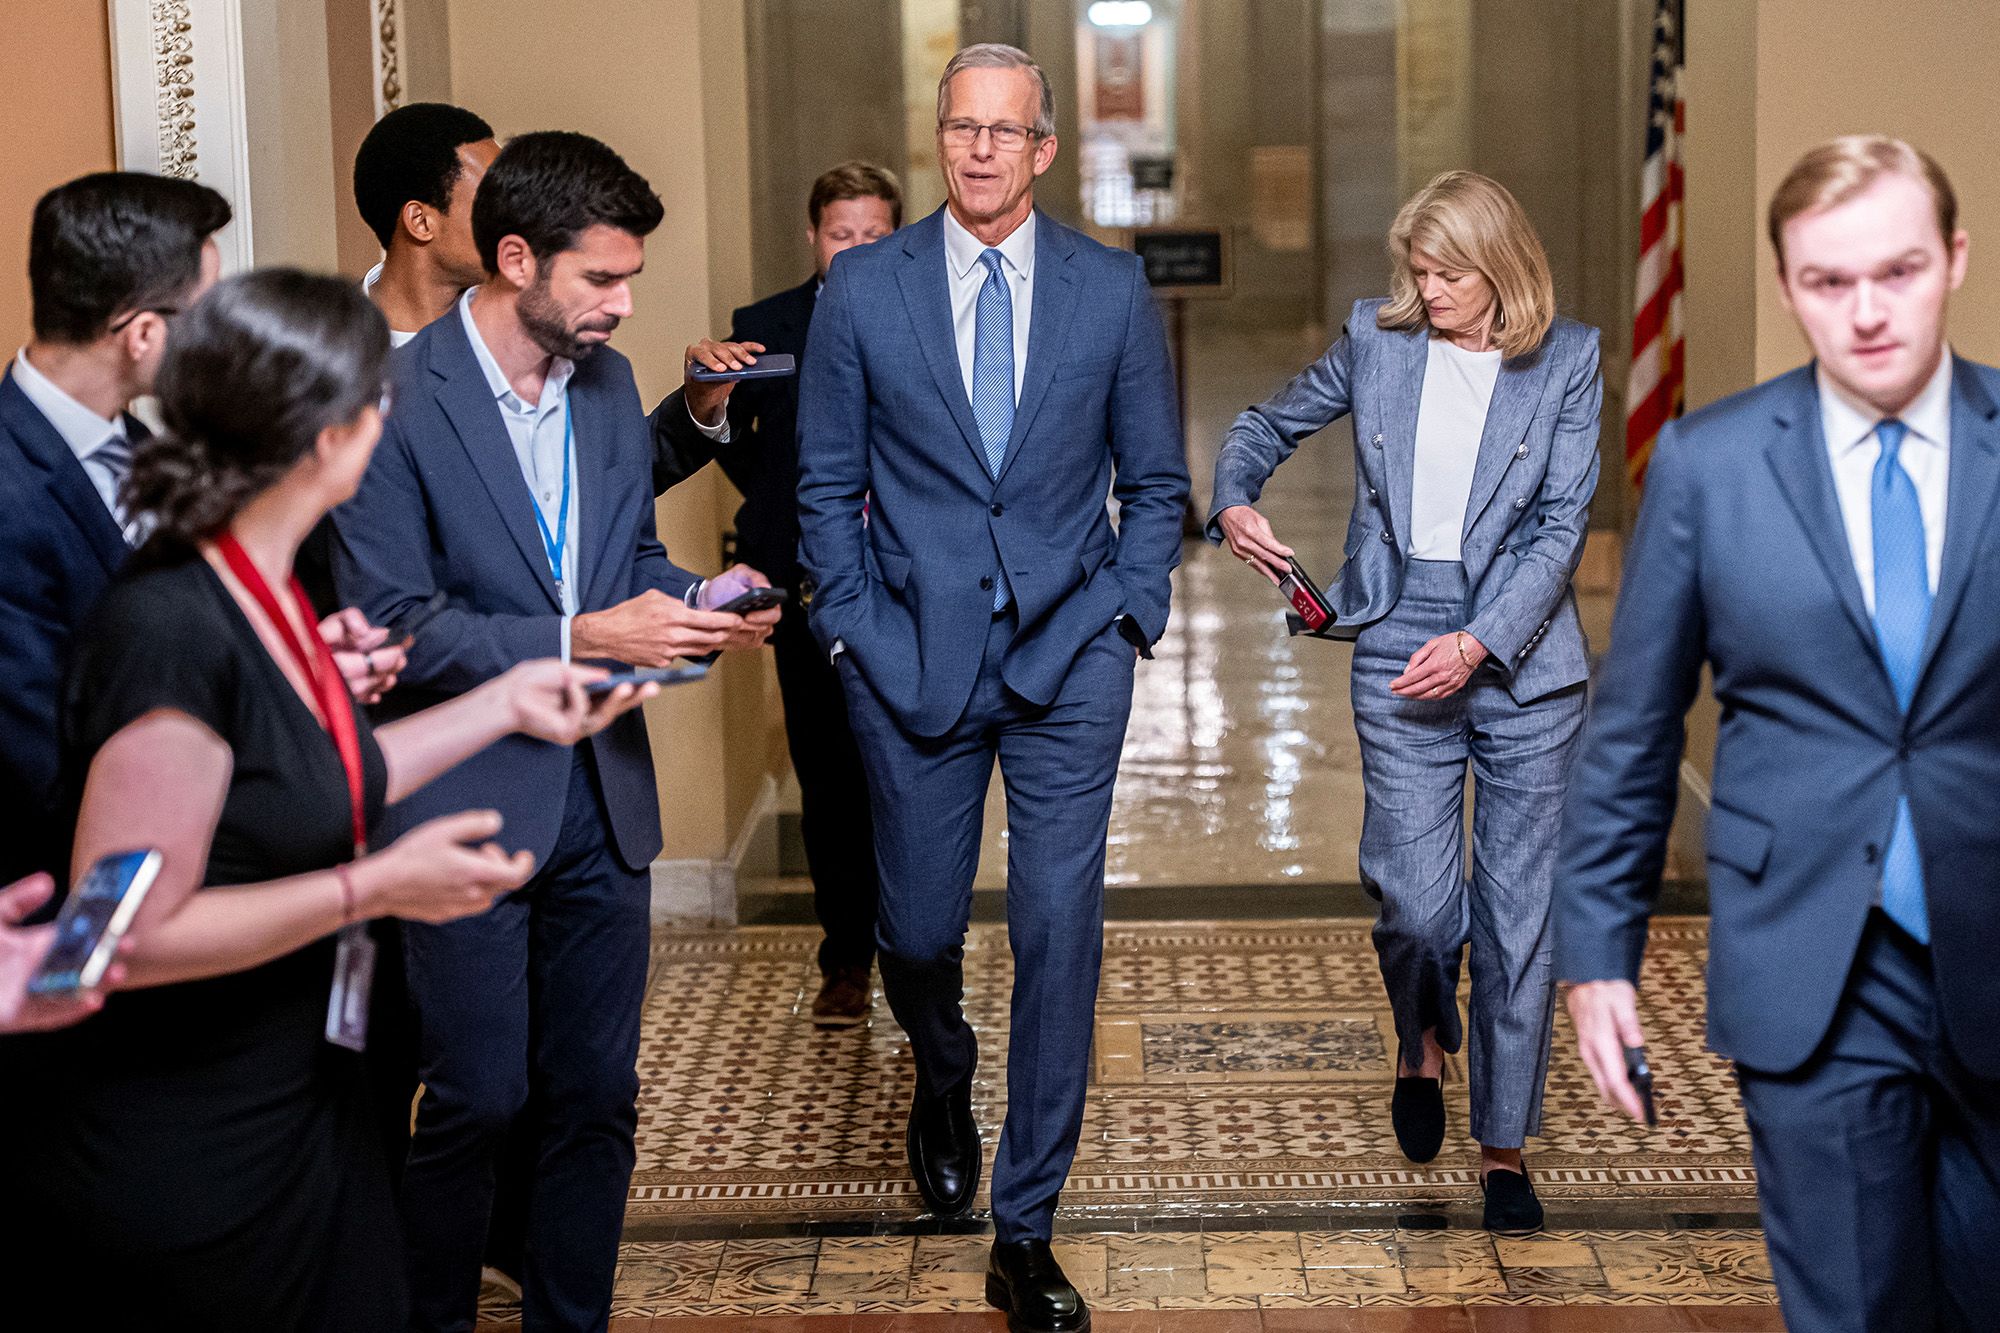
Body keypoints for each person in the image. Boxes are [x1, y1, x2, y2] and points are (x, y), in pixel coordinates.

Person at [0, 268, 655, 1330]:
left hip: (309, 1092)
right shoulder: (171, 624)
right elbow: (111, 937)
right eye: (372, 394)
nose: (389, 413)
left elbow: (325, 777)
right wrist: (377, 884)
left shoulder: (272, 596)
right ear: (323, 436)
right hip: (198, 1136)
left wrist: (507, 704)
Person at [334, 130, 780, 1332]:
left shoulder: (597, 393)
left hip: (603, 798)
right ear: (515, 258)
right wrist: (585, 636)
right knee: (478, 1095)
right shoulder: (387, 400)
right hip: (463, 801)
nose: (623, 304)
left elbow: (628, 559)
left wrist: (699, 603)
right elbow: (394, 628)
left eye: (628, 277)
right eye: (599, 278)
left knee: (594, 1093)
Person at [1556, 136, 2000, 1330]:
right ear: (1786, 283)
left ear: (1952, 260)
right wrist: (1596, 949)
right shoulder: (1710, 466)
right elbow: (1635, 726)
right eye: (1825, 281)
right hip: (1813, 957)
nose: (1864, 313)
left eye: (1896, 272)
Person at [797, 43, 1187, 1333]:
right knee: (914, 934)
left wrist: (1129, 609)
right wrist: (849, 629)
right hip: (909, 655)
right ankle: (941, 1073)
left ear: (1043, 147)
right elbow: (822, 487)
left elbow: (1157, 486)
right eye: (958, 127)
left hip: (1070, 654)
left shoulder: (1112, 291)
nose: (976, 149)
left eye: (1001, 131)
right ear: (941, 140)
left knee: (1057, 930)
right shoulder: (864, 290)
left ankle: (1026, 1228)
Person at [1212, 170, 1602, 1233]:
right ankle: (1419, 1034)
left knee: (1517, 918)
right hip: (1396, 635)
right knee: (1419, 905)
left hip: (1521, 661)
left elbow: (1559, 527)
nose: (1426, 291)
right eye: (1417, 271)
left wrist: (1478, 641)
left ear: (1502, 270)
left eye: (1448, 274)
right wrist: (1234, 500)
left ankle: (1503, 1151)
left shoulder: (1565, 359)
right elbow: (1262, 423)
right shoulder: (1376, 343)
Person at [0, 172, 401, 896]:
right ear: (144, 333)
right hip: (90, 907)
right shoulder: (9, 492)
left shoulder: (147, 447)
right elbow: (40, 755)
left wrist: (279, 671)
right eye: (206, 312)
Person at [649, 160, 902, 1026]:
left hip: (910, 590)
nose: (859, 248)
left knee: (909, 775)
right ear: (813, 235)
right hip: (805, 587)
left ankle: (917, 951)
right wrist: (772, 494)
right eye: (843, 233)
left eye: (875, 233)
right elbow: (722, 433)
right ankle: (846, 959)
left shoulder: (935, 318)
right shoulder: (766, 327)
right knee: (829, 779)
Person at [354, 101, 501, 346]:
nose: (519, 220)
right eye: (494, 202)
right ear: (421, 222)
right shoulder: (327, 351)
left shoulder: (524, 332)